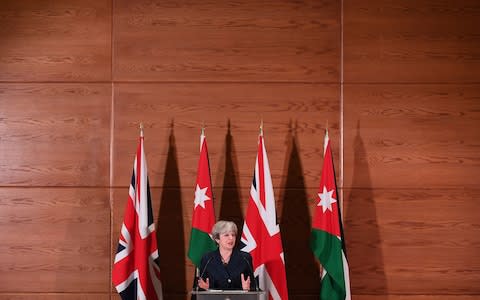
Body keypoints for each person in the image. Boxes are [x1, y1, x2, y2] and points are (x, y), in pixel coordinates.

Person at [197, 220, 256, 291]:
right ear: (217, 239)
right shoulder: (207, 259)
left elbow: (254, 287)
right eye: (226, 235)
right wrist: (206, 289)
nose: (231, 238)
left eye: (233, 235)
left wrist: (247, 289)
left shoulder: (245, 258)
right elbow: (200, 287)